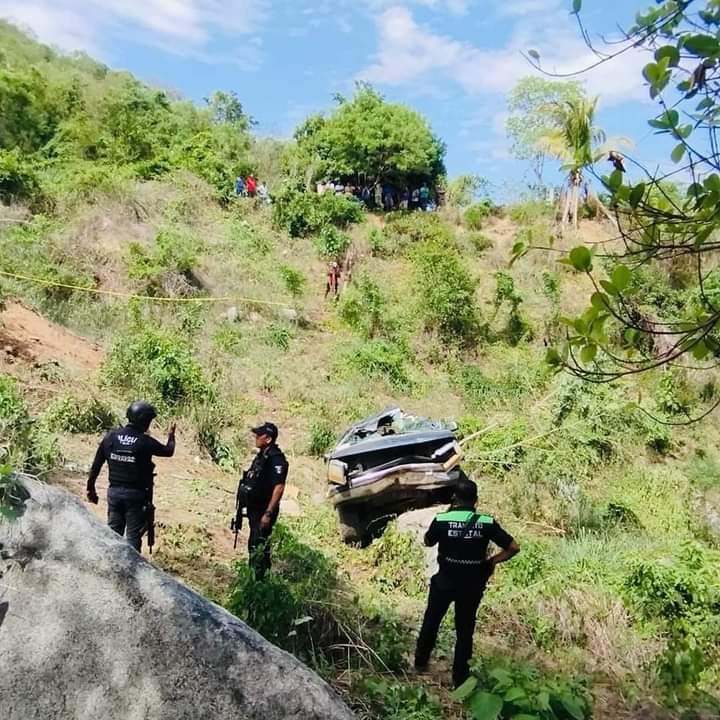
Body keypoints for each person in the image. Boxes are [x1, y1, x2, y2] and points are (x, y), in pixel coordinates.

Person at [415, 476, 520, 687]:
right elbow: (514, 547)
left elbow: (428, 542)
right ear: (476, 500)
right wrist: (492, 561)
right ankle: (460, 679)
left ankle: (420, 663)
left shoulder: (442, 520)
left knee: (431, 622)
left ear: (454, 497)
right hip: (471, 586)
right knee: (465, 631)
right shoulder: (486, 523)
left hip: (444, 582)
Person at [86, 401, 176, 553]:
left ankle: (110, 567)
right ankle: (131, 572)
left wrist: (91, 489)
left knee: (113, 535)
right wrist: (171, 436)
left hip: (114, 493)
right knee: (133, 538)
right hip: (135, 496)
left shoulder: (110, 437)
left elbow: (96, 466)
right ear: (146, 422)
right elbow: (168, 451)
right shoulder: (144, 441)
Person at [243, 422, 288, 579]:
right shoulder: (262, 456)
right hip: (254, 508)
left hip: (264, 510)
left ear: (268, 438)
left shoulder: (276, 459)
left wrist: (268, 513)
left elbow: (279, 487)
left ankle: (260, 581)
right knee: (254, 543)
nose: (256, 437)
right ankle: (254, 577)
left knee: (260, 545)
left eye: (259, 435)